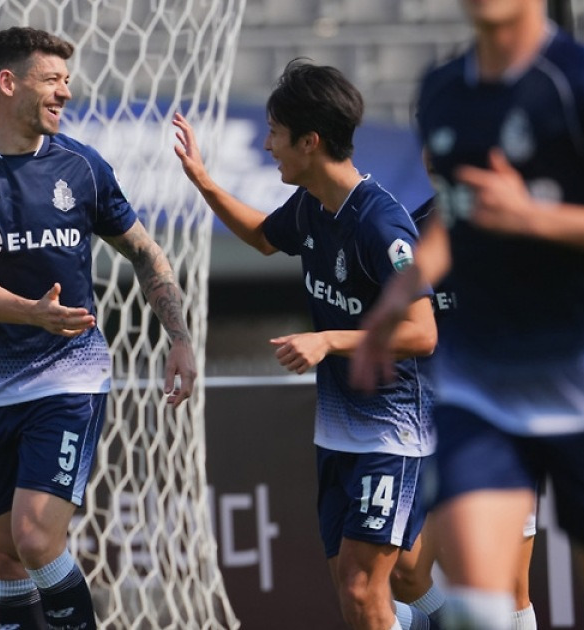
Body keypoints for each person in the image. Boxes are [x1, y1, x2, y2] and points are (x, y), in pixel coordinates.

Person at [350, 0, 584, 627]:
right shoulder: (444, 90)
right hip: (483, 392)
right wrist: (399, 295)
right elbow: (458, 211)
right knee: (480, 608)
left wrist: (534, 216)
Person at [0, 26, 197, 629]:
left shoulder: (83, 167)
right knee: (7, 554)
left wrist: (178, 337)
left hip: (70, 377)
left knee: (36, 537)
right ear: (7, 82)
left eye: (67, 81)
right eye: (52, 80)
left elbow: (146, 254)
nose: (65, 93)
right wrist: (32, 311)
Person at [173, 60, 438, 630]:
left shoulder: (380, 226)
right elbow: (264, 238)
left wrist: (328, 339)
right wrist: (204, 181)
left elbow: (422, 331)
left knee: (363, 591)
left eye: (274, 133)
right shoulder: (314, 206)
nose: (267, 145)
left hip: (391, 430)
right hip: (339, 432)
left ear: (309, 141)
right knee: (394, 582)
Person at [386, 196, 539, 630]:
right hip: (435, 423)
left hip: (504, 423)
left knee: (508, 585)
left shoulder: (514, 214)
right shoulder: (413, 227)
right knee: (407, 572)